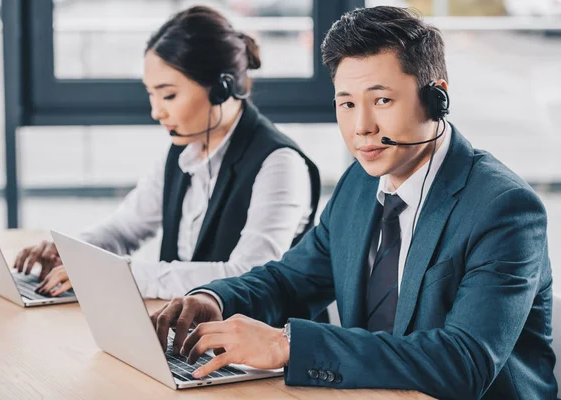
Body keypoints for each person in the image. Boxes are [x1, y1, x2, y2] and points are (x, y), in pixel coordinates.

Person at [150, 6, 557, 399]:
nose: (361, 127)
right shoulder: (360, 185)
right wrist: (212, 300)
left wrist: (288, 344)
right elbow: (291, 280)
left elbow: (463, 364)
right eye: (346, 104)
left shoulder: (504, 209)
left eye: (381, 101)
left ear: (436, 99)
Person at [12, 6, 320, 300]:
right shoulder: (185, 152)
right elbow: (124, 229)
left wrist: (122, 276)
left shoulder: (280, 164)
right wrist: (71, 253)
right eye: (151, 94)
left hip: (253, 345)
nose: (156, 112)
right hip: (187, 329)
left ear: (220, 88)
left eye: (169, 95)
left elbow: (248, 275)